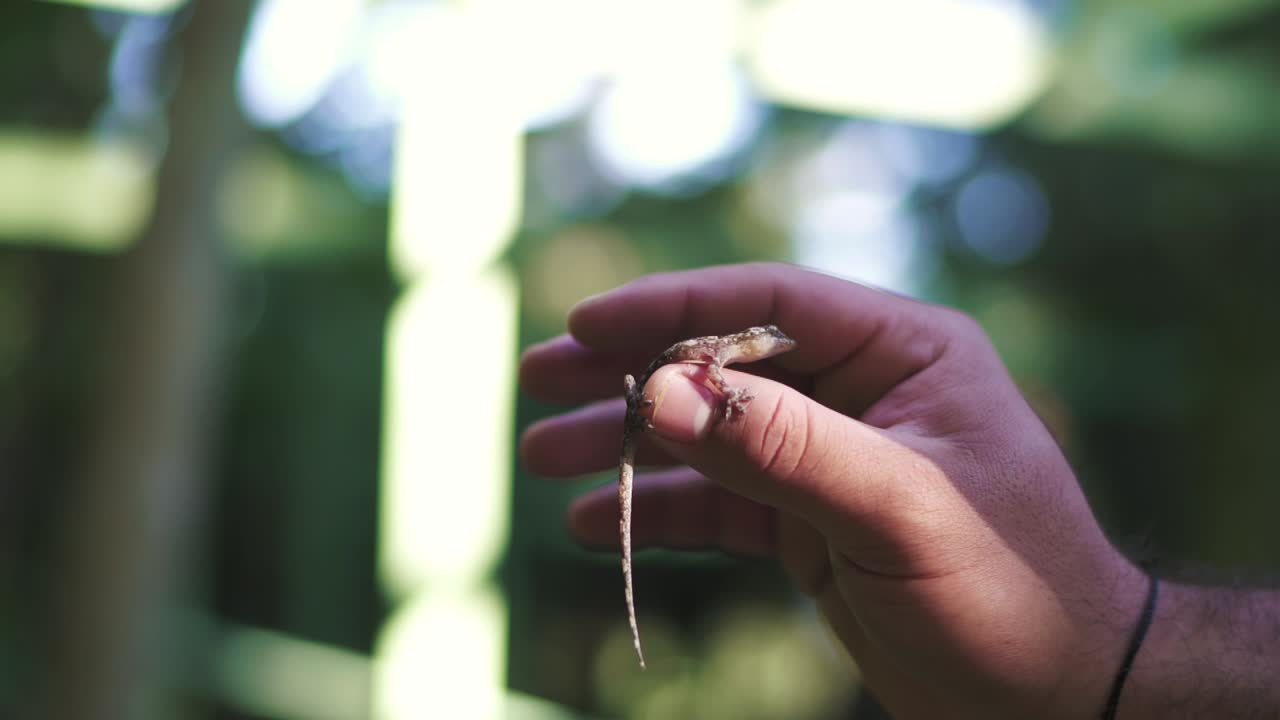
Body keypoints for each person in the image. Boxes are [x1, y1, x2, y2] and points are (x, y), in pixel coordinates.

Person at [518, 263, 1277, 718]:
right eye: (768, 342)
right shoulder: (718, 355)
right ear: (746, 343)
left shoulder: (724, 354)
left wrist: (1104, 663)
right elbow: (709, 375)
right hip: (645, 405)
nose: (774, 348)